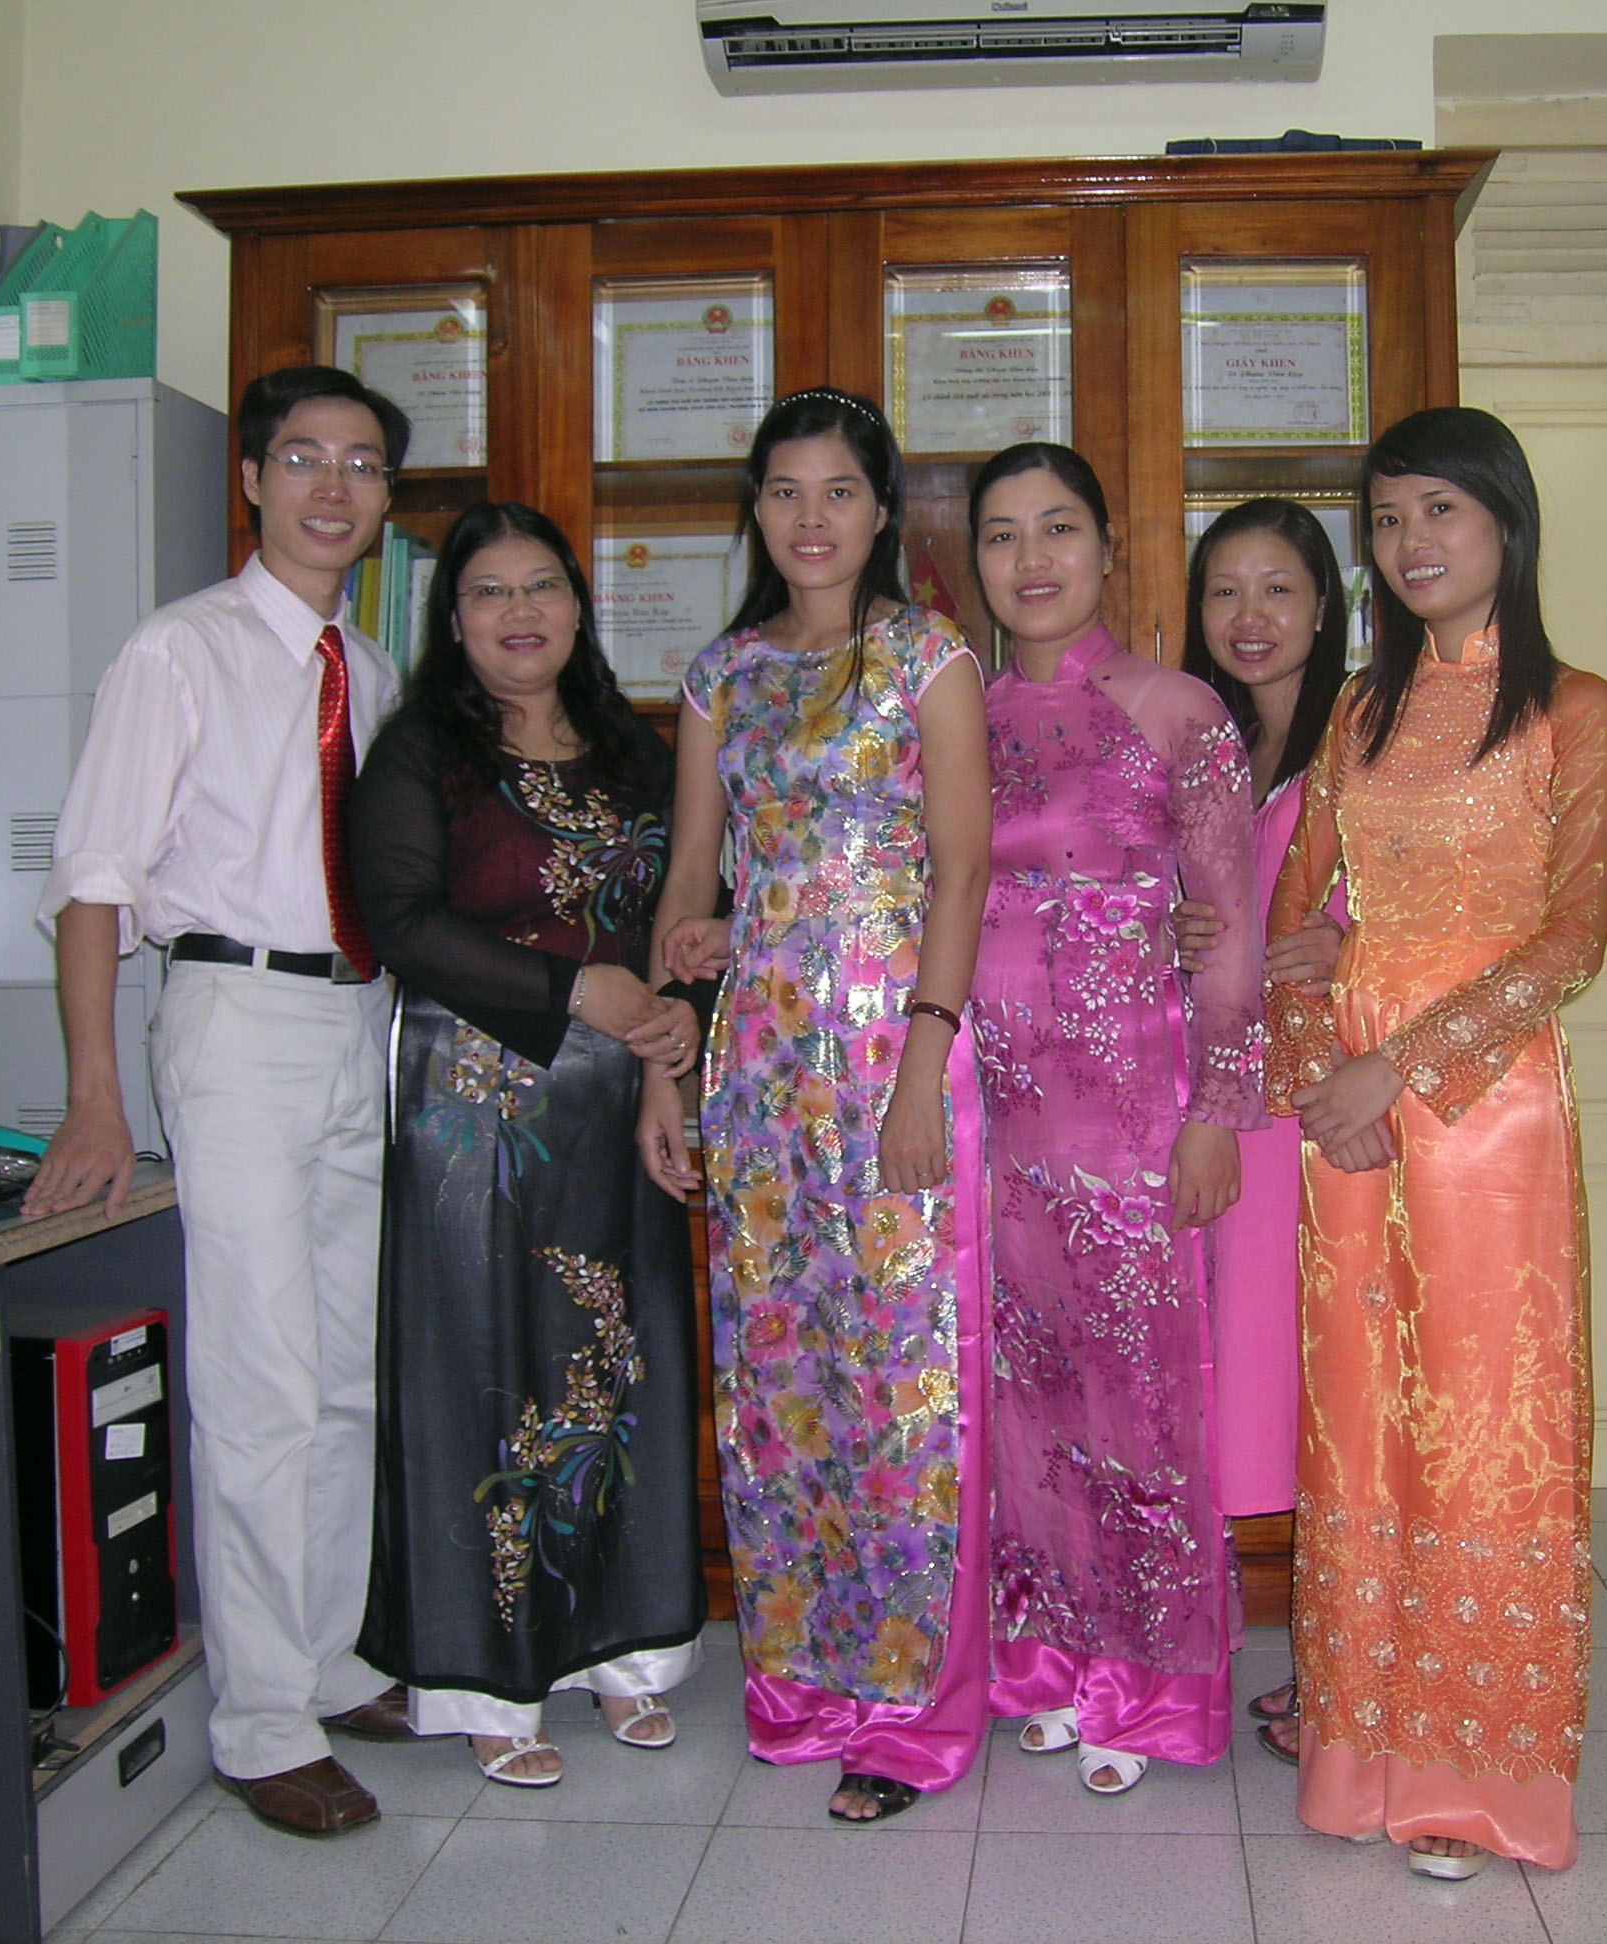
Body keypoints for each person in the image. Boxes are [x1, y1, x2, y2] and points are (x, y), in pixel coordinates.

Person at [27, 366, 426, 1837]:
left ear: (386, 502)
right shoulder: (177, 649)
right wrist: (93, 1096)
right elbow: (93, 879)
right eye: (304, 458)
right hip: (234, 1014)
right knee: (260, 1377)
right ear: (252, 478)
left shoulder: (371, 670)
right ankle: (260, 1724)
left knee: (344, 1370)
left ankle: (327, 1660)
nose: (334, 487)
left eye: (363, 465)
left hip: (358, 1015)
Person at [1262, 406, 1607, 1879]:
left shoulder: (1574, 710)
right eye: (1389, 516)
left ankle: (1470, 1780)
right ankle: (1360, 1759)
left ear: (1506, 527)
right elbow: (1296, 921)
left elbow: (1572, 938)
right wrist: (1322, 1083)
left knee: (1482, 1423)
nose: (1410, 541)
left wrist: (1395, 1070)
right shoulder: (1357, 712)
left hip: (1489, 1110)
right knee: (1360, 1425)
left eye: (1441, 511)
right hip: (1351, 1114)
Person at [649, 388, 992, 1825]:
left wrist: (923, 1062)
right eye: (785, 491)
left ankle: (912, 1708)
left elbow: (963, 872)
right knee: (780, 1379)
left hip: (896, 1058)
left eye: (839, 491)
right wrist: (666, 1067)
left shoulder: (927, 658)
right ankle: (801, 1685)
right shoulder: (720, 676)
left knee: (902, 1379)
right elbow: (692, 880)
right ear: (757, 511)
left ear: (881, 509)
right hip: (761, 1071)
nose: (811, 517)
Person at [346, 501, 706, 1789]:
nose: (519, 612)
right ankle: (488, 1680)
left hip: (617, 1105)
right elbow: (399, 919)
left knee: (615, 1362)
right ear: (454, 620)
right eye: (489, 592)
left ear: (576, 603)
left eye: (541, 585)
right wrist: (570, 989)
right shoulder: (422, 750)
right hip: (474, 1106)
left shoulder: (631, 747)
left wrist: (680, 1018)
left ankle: (624, 1653)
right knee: (484, 1369)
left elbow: (687, 908)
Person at [963, 443, 1265, 1795]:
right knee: (1025, 1401)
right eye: (1002, 535)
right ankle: (1044, 1661)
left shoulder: (1178, 712)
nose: (1031, 560)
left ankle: (1145, 1689)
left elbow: (1230, 928)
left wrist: (1218, 1111)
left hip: (1135, 1114)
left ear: (1105, 549)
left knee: (1140, 1402)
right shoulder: (959, 717)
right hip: (997, 1116)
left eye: (1058, 529)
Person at [1172, 499, 1354, 1736]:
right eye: (1225, 590)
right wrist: (1169, 923)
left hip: (1320, 1111)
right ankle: (1253, 1641)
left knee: (1333, 1387)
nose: (1250, 616)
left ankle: (1353, 1665)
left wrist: (1351, 945)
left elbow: (1449, 901)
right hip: (1215, 1100)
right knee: (1237, 1382)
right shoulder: (1203, 747)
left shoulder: (1367, 740)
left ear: (1325, 606)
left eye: (1278, 588)